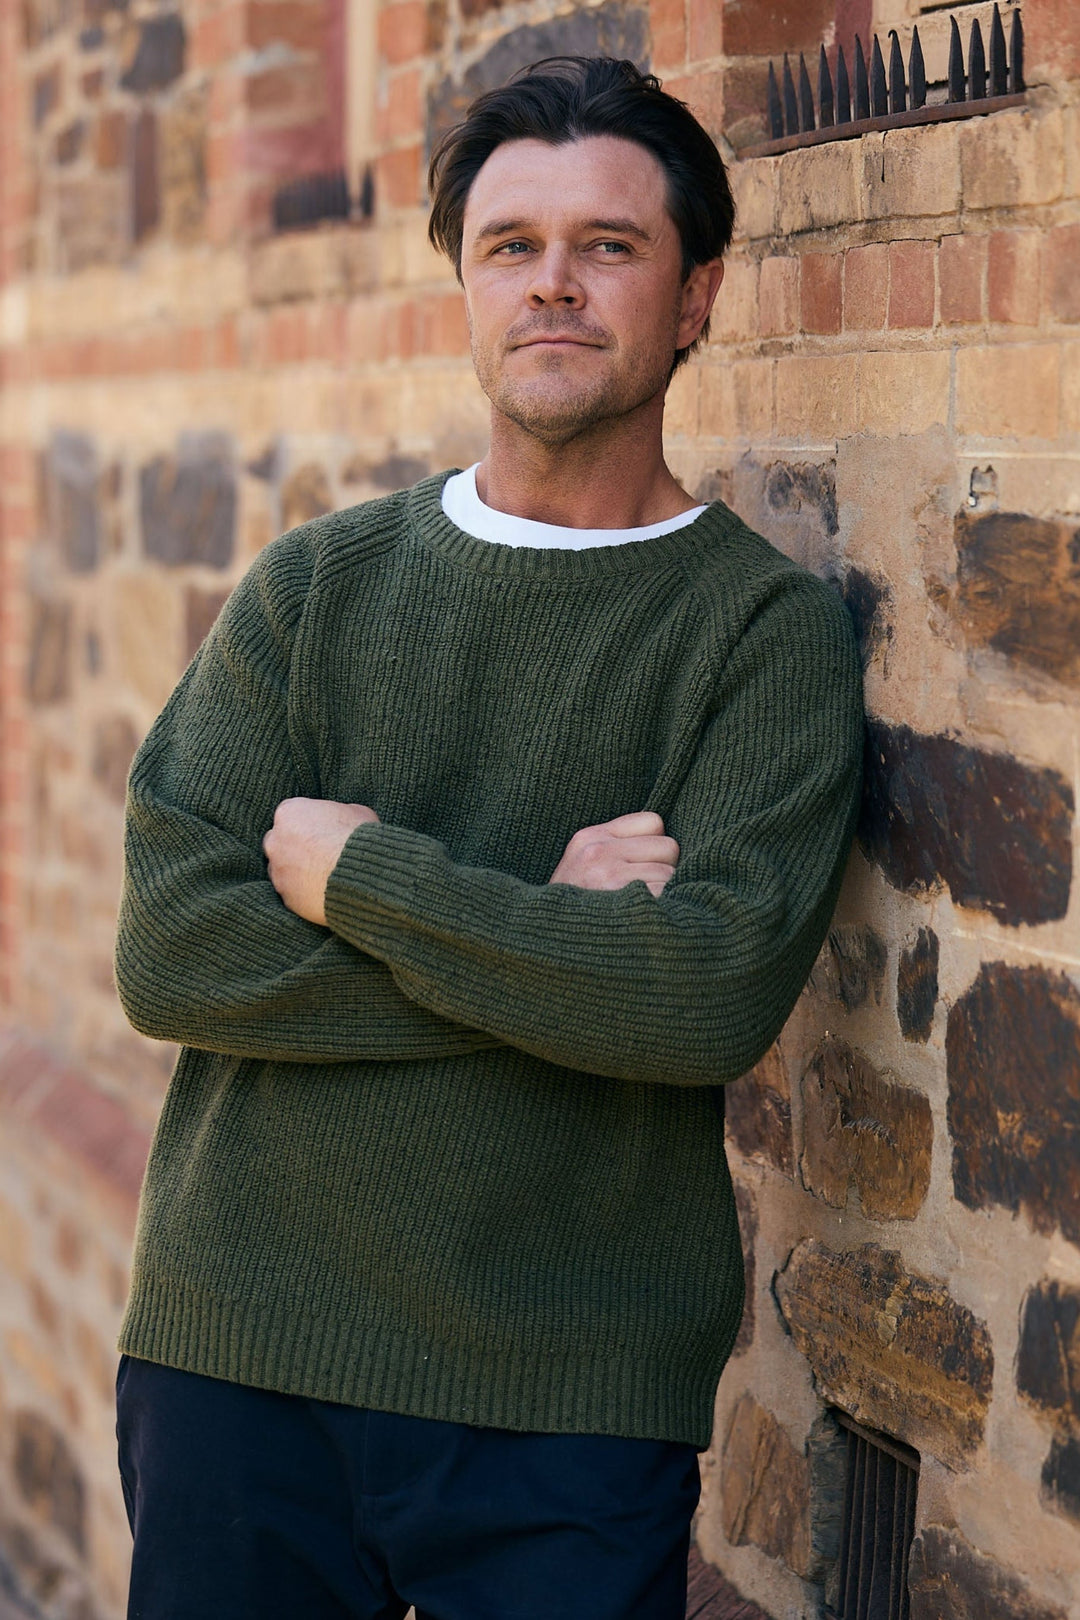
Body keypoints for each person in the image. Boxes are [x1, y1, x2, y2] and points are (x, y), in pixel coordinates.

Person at [113, 55, 863, 1620]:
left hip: (566, 1402)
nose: (553, 285)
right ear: (465, 285)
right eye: (511, 246)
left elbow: (699, 999)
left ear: (697, 295)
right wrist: (550, 927)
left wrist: (362, 880)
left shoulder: (759, 635)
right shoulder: (317, 588)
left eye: (609, 246)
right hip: (239, 1358)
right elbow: (176, 953)